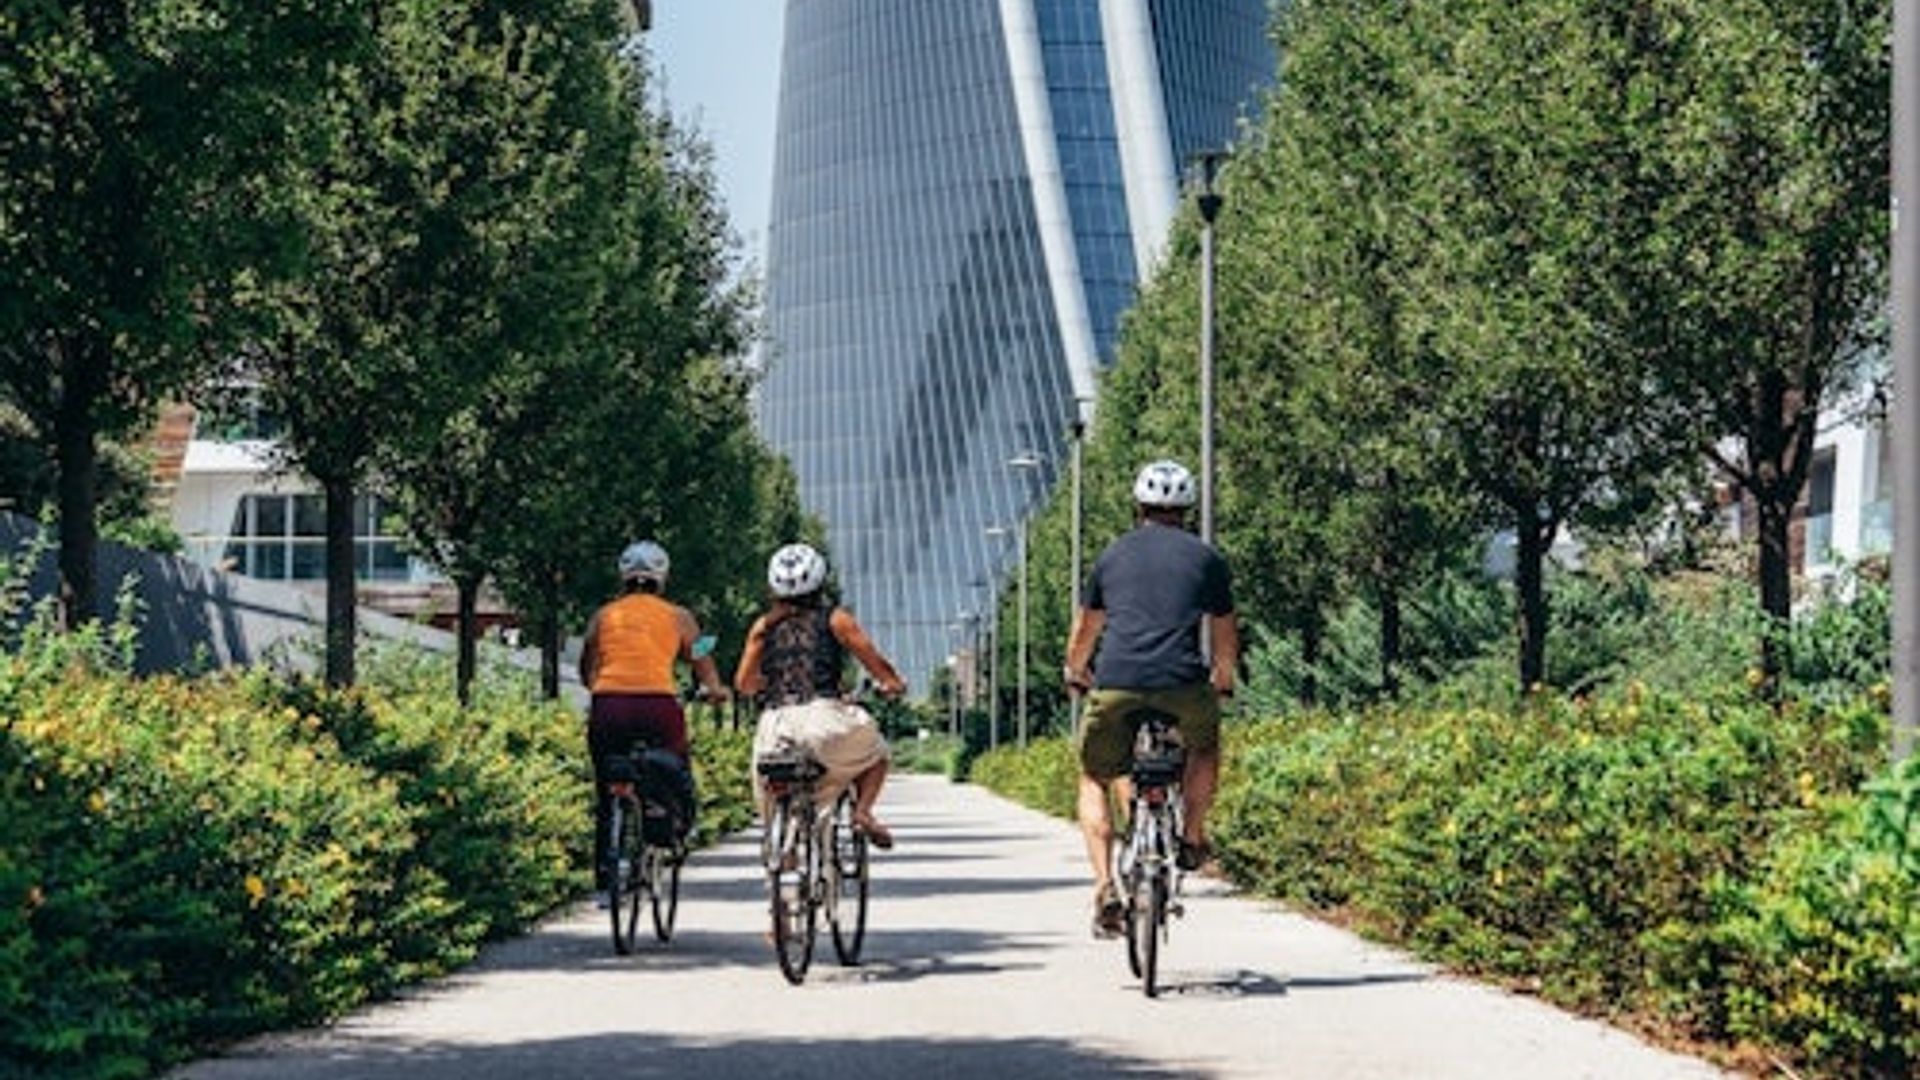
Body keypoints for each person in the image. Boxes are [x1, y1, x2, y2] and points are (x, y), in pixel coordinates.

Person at [1063, 459, 1239, 937]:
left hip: (1116, 681)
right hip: (1183, 683)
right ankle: (1192, 837)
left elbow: (1086, 630)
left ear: (1137, 507)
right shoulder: (1207, 559)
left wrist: (1076, 671)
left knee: (1094, 775)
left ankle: (1105, 885)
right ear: (1187, 510)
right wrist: (1223, 680)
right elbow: (1225, 634)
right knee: (1204, 748)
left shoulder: (1112, 556)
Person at [580, 540, 728, 902]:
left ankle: (606, 873)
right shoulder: (680, 617)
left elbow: (588, 661)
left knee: (606, 786)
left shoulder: (603, 615)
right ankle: (679, 821)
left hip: (609, 706)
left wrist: (597, 686)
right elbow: (701, 653)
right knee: (676, 760)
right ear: (663, 577)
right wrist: (714, 687)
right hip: (657, 706)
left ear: (624, 576)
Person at [734, 542, 907, 848]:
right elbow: (875, 663)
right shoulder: (836, 619)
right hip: (823, 719)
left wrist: (768, 683)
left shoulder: (762, 627)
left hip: (774, 725)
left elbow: (743, 684)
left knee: (773, 775)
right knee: (877, 753)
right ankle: (863, 812)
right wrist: (892, 683)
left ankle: (783, 845)